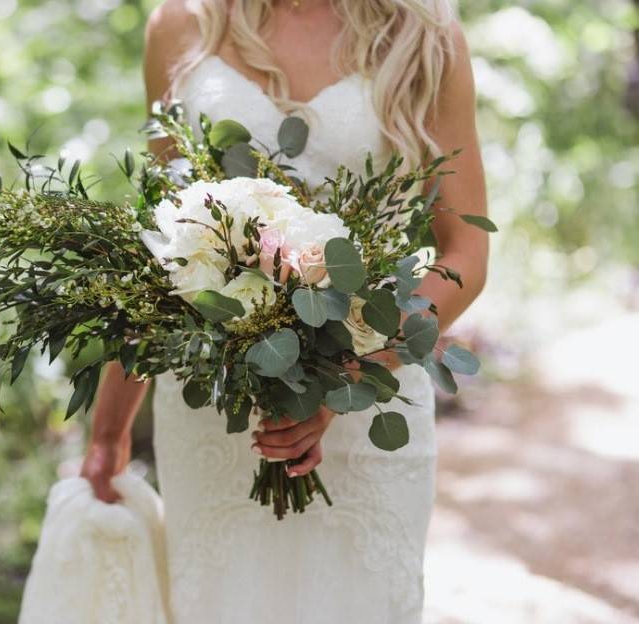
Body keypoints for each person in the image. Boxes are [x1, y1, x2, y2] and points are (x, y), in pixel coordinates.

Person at [81, 1, 489, 621]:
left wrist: (344, 377)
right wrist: (109, 429)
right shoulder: (181, 23)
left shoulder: (425, 35)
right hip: (215, 415)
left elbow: (466, 252)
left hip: (367, 408)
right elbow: (162, 249)